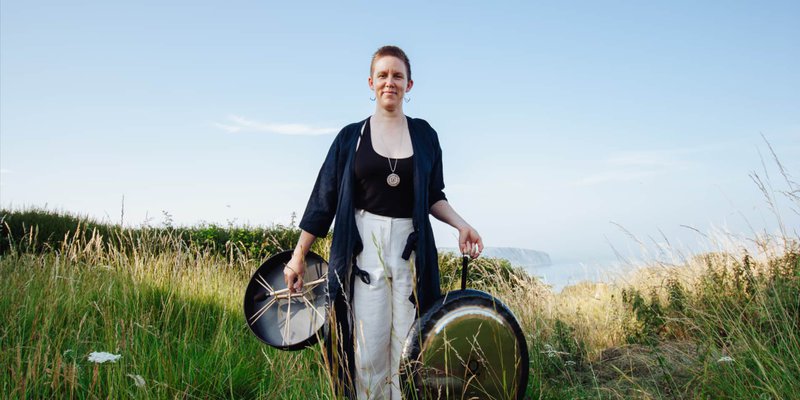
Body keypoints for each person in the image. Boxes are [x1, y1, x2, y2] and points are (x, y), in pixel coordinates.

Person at [284, 45, 483, 400]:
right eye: (383, 75)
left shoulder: (425, 136)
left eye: (397, 76)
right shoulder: (350, 138)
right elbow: (323, 200)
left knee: (411, 346)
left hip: (411, 251)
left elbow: (433, 195)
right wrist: (299, 255)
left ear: (409, 85)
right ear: (371, 82)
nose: (389, 82)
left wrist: (461, 225)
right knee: (367, 348)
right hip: (364, 251)